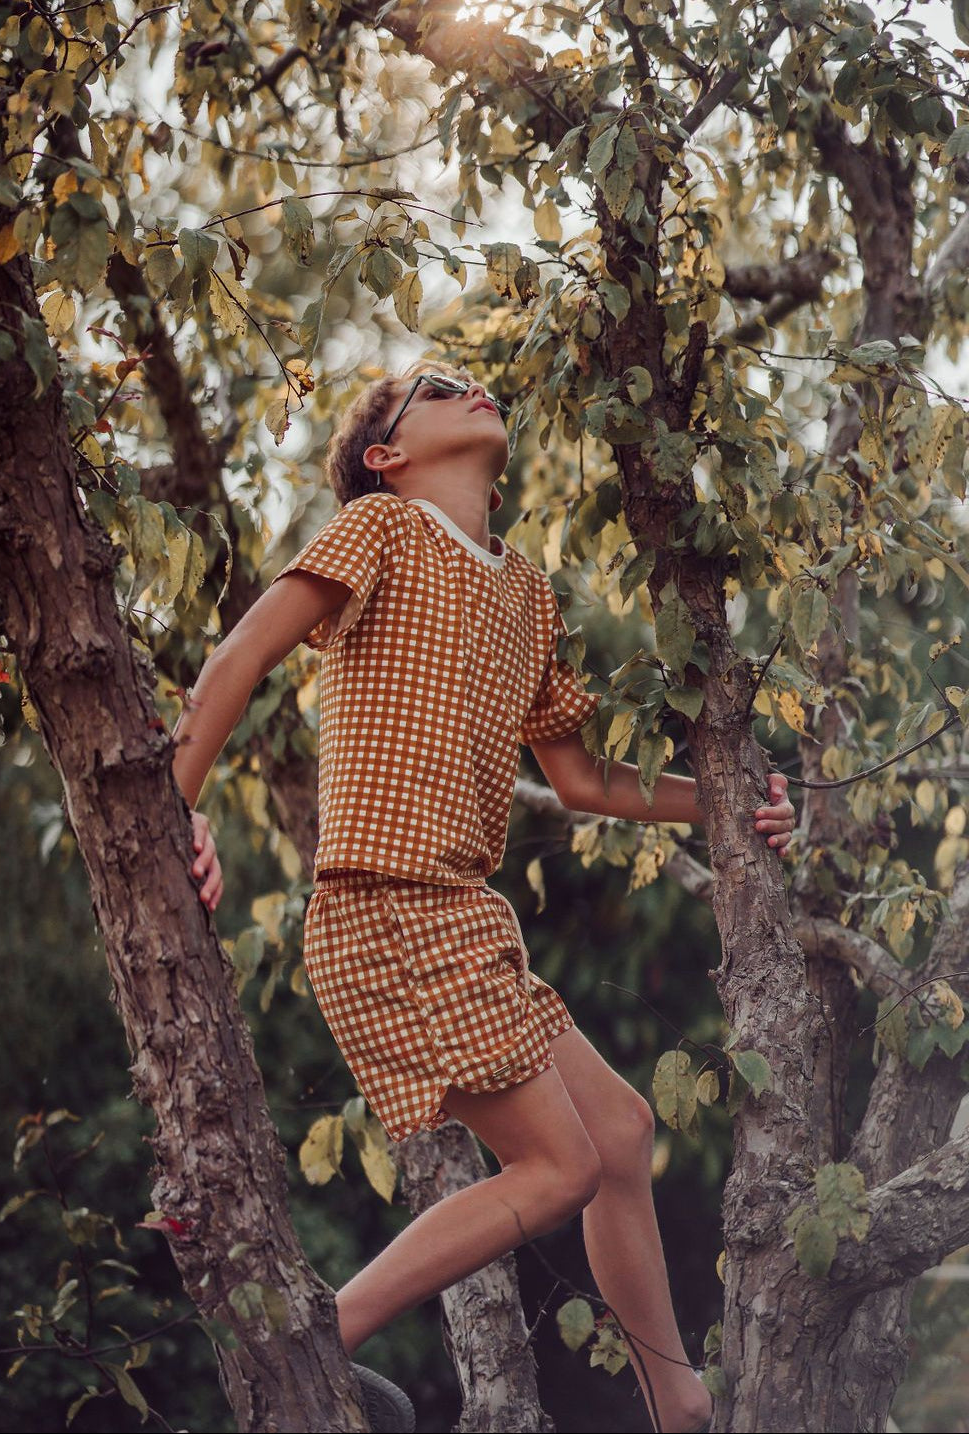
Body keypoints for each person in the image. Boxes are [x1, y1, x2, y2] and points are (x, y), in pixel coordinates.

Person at [172, 363, 796, 1434]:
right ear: (388, 457)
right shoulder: (380, 533)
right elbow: (242, 654)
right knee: (556, 1168)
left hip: (462, 918)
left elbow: (583, 779)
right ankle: (322, 1335)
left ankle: (676, 1398)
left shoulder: (522, 591)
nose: (471, 387)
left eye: (473, 379)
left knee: (619, 1130)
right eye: (436, 386)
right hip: (383, 904)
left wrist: (729, 804)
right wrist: (175, 808)